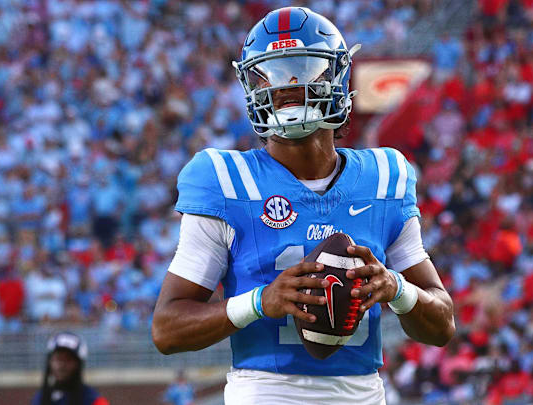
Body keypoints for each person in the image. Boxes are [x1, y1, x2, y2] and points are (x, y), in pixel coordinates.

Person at [152, 7, 455, 404]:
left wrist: (397, 288)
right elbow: (167, 329)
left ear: (336, 78)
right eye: (272, 75)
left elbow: (442, 324)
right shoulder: (224, 179)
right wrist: (260, 302)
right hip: (265, 391)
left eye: (303, 68)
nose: (288, 85)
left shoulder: (385, 176)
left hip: (362, 393)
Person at [32, 332, 109, 405]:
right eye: (58, 358)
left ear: (78, 364)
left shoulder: (93, 400)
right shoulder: (40, 398)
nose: (61, 365)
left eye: (68, 359)